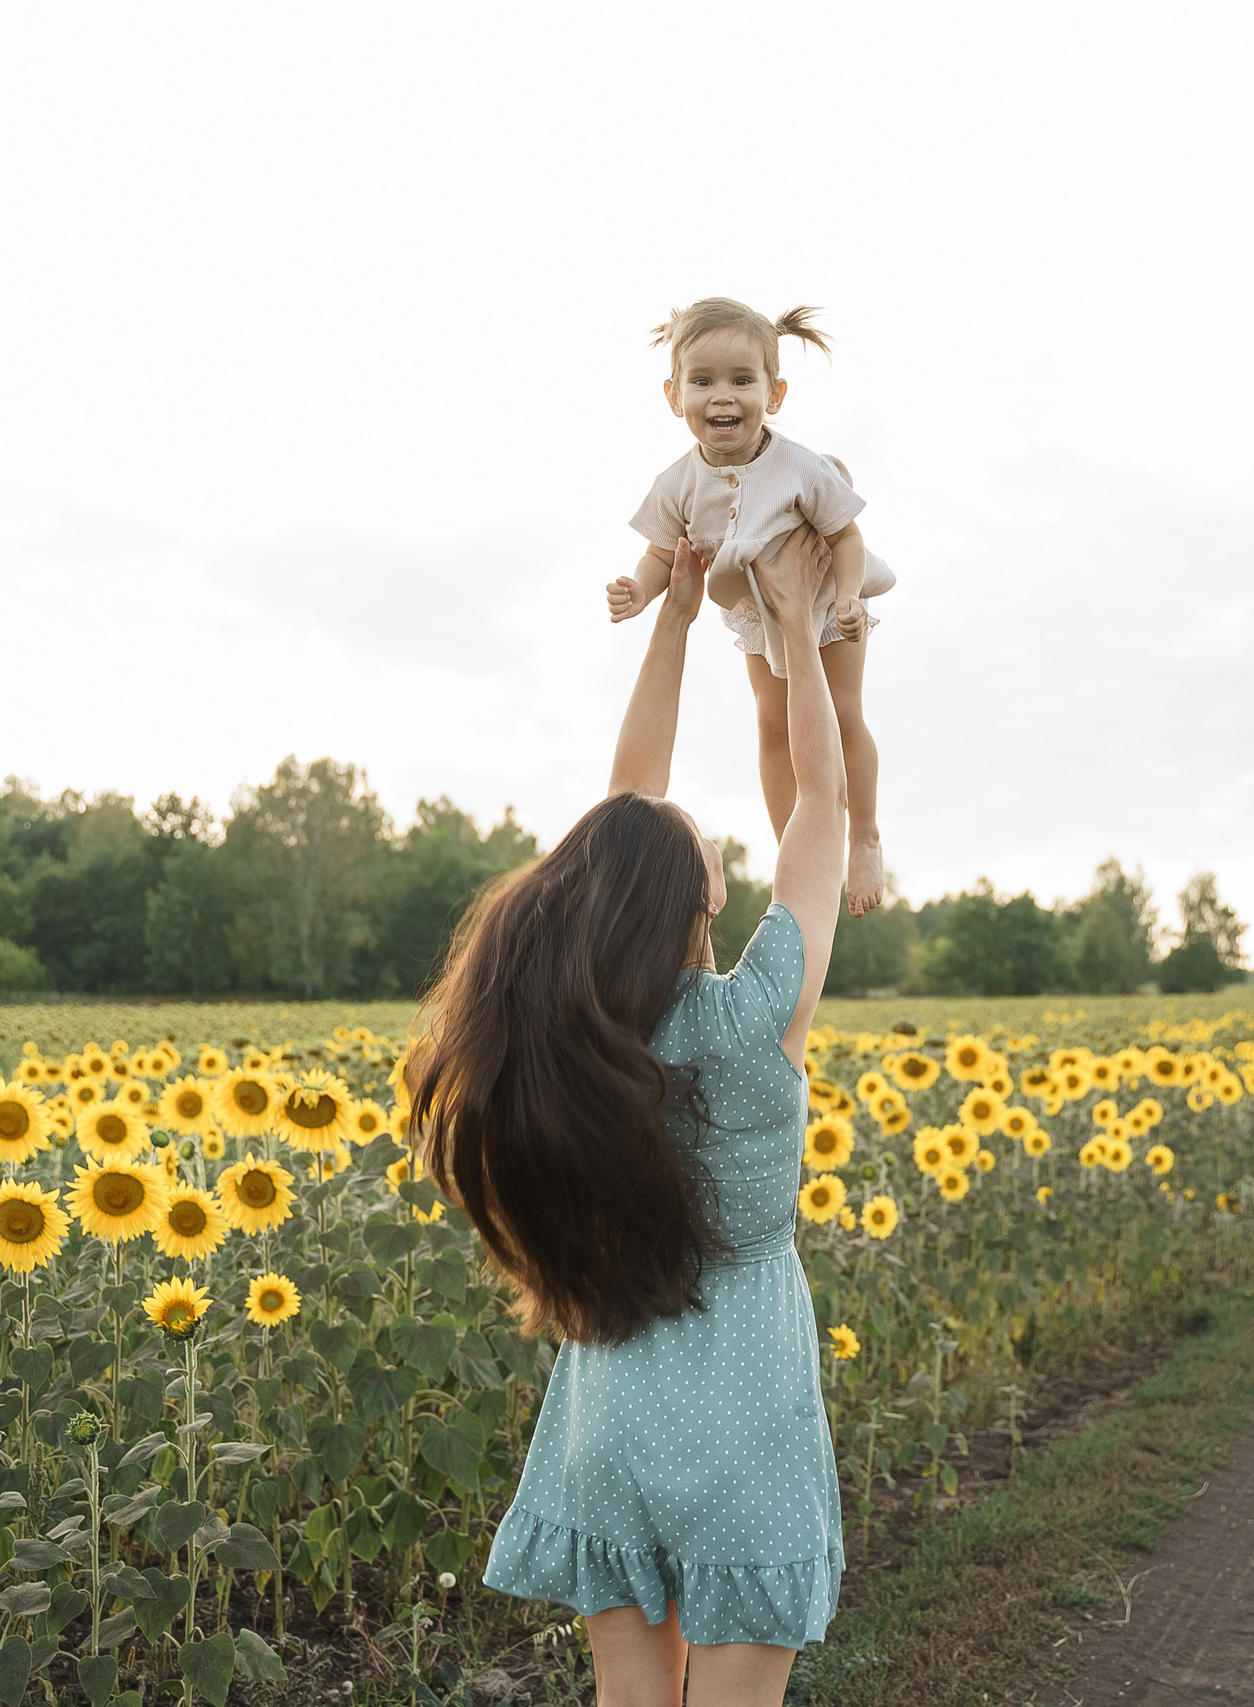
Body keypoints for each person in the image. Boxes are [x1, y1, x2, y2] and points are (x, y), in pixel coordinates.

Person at [409, 521, 851, 1705]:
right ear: (704, 893)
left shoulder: (573, 1045)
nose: (692, 821)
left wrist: (677, 614)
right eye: (701, 840)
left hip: (614, 1407)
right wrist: (798, 637)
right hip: (745, 1417)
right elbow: (821, 806)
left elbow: (625, 816)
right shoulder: (758, 1015)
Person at [605, 297, 889, 915]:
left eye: (742, 380)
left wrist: (845, 597)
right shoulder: (677, 484)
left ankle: (862, 831)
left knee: (842, 714)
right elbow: (661, 553)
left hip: (827, 606)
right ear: (674, 396)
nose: (722, 396)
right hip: (760, 620)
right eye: (702, 381)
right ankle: (798, 843)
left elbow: (846, 537)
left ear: (775, 393)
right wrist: (639, 589)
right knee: (770, 723)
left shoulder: (800, 468)